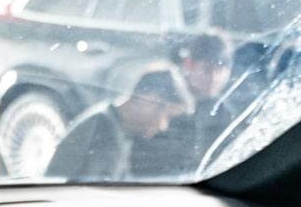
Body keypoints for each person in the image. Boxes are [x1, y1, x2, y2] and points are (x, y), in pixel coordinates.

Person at [45, 68, 191, 182]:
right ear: (149, 100)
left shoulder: (115, 126)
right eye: (168, 116)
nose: (163, 126)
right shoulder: (103, 132)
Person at [133, 32, 243, 179]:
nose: (214, 78)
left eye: (220, 70)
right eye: (207, 70)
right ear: (188, 64)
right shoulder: (164, 97)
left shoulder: (224, 113)